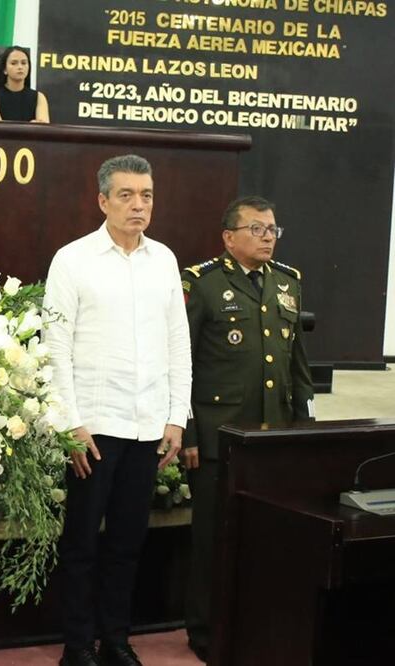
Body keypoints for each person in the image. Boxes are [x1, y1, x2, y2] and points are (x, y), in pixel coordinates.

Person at [44, 154, 190, 666]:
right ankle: (77, 645)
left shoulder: (164, 260)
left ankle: (115, 641)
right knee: (82, 542)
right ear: (102, 200)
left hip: (147, 424)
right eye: (126, 195)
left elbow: (177, 342)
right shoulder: (73, 260)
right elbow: (55, 347)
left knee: (128, 543)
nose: (138, 205)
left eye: (146, 195)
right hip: (94, 426)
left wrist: (176, 417)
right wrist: (70, 422)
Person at [180, 196, 314, 662]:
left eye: (273, 229)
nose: (267, 237)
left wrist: (303, 428)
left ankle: (252, 624)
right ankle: (204, 630)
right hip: (218, 436)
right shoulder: (203, 284)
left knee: (265, 538)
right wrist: (188, 432)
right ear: (228, 237)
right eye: (256, 229)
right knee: (211, 540)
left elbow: (297, 364)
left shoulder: (287, 282)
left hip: (272, 436)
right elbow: (182, 362)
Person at [0, 47, 49, 123]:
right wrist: (30, 126)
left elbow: (43, 127)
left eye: (24, 63)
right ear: (4, 69)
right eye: (14, 63)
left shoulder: (39, 97)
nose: (20, 67)